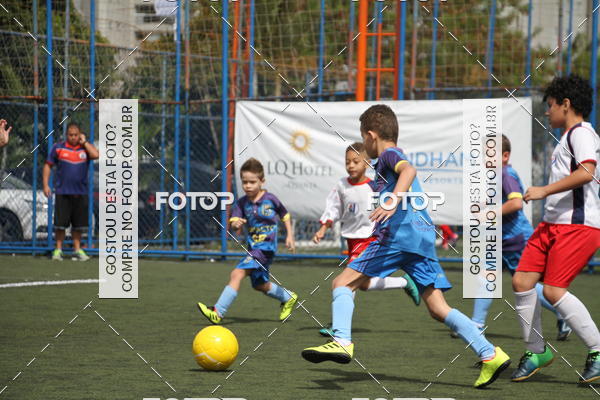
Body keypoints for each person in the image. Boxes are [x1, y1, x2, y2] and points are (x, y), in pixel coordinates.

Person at [301, 104, 510, 388]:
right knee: (438, 308)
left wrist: (391, 200)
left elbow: (409, 170)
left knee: (342, 283)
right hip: (421, 238)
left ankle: (341, 341)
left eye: (363, 138)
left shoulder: (389, 154)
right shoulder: (385, 162)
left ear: (371, 135)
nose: (363, 144)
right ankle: (490, 354)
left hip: (397, 237)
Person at [511, 75, 600, 383]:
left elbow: (587, 172)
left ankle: (597, 350)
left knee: (553, 290)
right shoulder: (567, 136)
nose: (547, 111)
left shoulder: (582, 133)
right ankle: (536, 351)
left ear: (566, 104)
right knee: (522, 281)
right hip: (552, 225)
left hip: (577, 226)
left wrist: (544, 191)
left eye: (550, 105)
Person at [454, 135, 571, 340]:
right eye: (484, 154)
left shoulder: (505, 174)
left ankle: (564, 313)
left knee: (527, 285)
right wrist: (483, 204)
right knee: (486, 278)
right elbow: (503, 199)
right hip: (502, 240)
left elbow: (516, 203)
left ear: (505, 156)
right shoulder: (499, 175)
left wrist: (488, 214)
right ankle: (476, 324)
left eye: (491, 154)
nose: (486, 159)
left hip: (517, 240)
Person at [313, 142, 420, 337]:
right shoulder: (341, 185)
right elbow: (333, 208)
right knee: (363, 284)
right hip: (352, 240)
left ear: (367, 163)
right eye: (347, 162)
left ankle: (338, 328)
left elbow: (391, 206)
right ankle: (404, 282)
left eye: (356, 161)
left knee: (346, 281)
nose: (351, 165)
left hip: (369, 238)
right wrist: (323, 228)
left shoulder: (374, 187)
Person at [197, 158, 298, 324]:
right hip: (253, 248)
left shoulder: (271, 199)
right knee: (260, 285)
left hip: (265, 249)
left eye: (252, 182)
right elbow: (234, 221)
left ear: (262, 181)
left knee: (237, 274)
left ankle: (218, 312)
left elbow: (285, 215)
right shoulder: (242, 203)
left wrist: (290, 236)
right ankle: (288, 297)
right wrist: (236, 224)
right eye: (245, 182)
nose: (248, 186)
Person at [43, 123, 99, 261]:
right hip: (63, 192)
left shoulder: (85, 148)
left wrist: (84, 142)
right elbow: (48, 165)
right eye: (70, 135)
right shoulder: (58, 148)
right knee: (60, 225)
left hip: (80, 193)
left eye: (75, 135)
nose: (73, 137)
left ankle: (77, 250)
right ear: (66, 135)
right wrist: (45, 185)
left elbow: (96, 155)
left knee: (78, 225)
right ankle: (58, 250)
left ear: (80, 135)